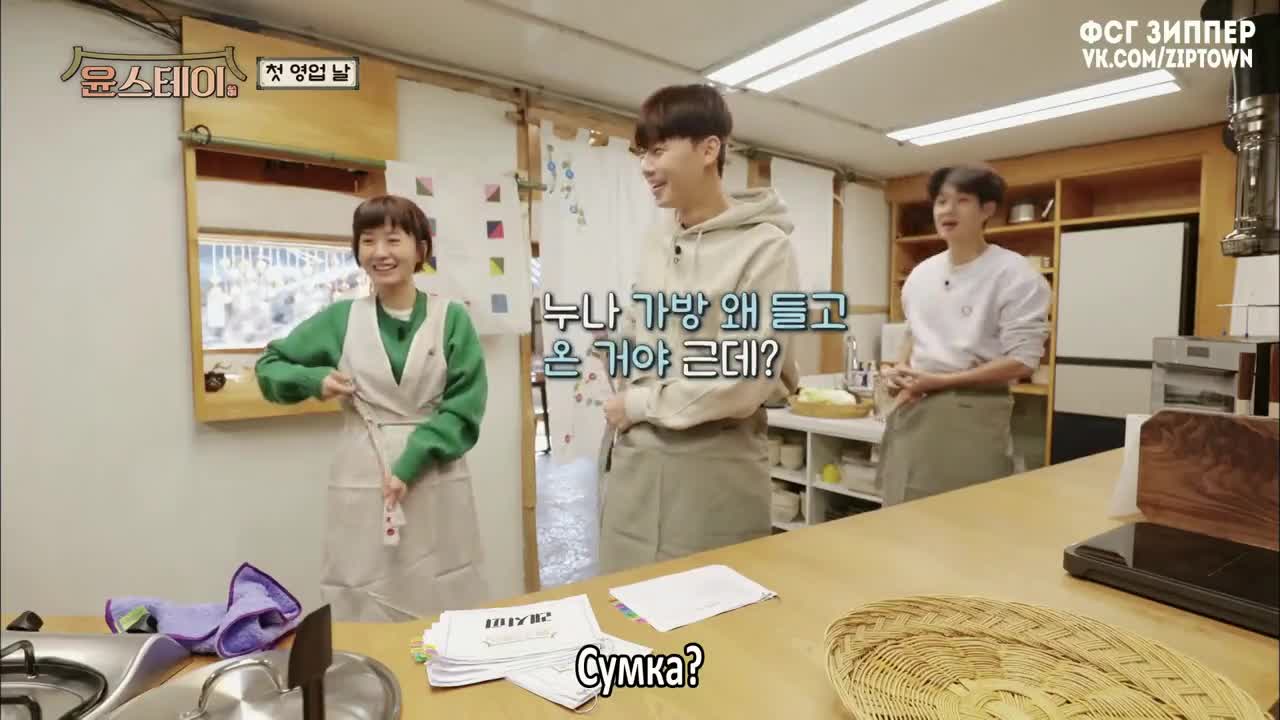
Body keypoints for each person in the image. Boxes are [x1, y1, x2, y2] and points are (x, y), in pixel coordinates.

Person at [596, 83, 802, 573]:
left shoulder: (766, 248)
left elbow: (744, 377)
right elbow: (636, 325)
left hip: (713, 471)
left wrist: (639, 402)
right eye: (642, 153)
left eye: (658, 150)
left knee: (710, 605)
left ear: (709, 149)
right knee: (627, 599)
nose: (646, 167)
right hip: (637, 465)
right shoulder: (656, 240)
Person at [256, 194, 489, 622]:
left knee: (444, 587)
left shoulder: (451, 319)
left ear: (420, 249)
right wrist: (315, 380)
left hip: (435, 473)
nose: (380, 252)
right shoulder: (340, 319)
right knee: (362, 588)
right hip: (364, 474)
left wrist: (411, 463)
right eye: (368, 241)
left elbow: (465, 407)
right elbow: (270, 366)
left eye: (393, 240)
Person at [875, 164, 1051, 506]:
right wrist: (898, 370)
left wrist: (942, 381)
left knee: (958, 515)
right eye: (941, 201)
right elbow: (914, 333)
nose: (948, 210)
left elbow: (1022, 361)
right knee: (899, 506)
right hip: (912, 406)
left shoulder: (1015, 274)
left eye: (962, 200)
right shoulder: (921, 274)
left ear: (987, 209)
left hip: (972, 411)